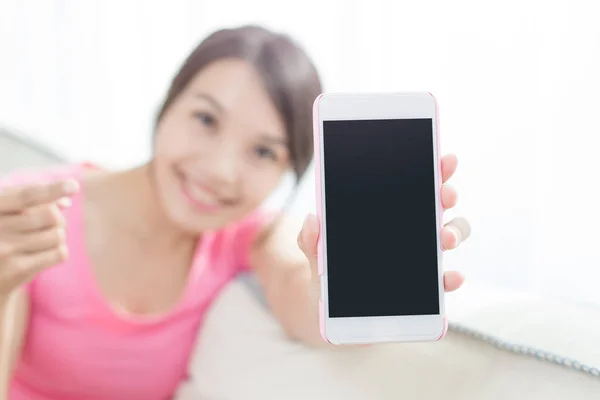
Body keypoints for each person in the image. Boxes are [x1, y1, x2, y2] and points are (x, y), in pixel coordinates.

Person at [0, 25, 468, 399]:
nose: (221, 172)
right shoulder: (31, 210)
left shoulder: (250, 236)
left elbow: (296, 290)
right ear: (168, 106)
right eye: (206, 120)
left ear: (289, 170)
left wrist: (346, 287)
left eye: (263, 152)